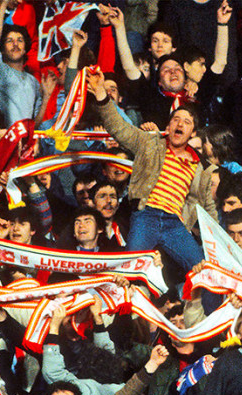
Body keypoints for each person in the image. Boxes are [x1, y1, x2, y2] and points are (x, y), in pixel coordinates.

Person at [87, 68, 215, 270]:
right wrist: (102, 95)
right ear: (168, 125)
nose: (179, 124)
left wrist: (216, 245)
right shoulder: (150, 143)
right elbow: (119, 127)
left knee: (206, 272)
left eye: (186, 122)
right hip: (146, 216)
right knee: (129, 270)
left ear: (193, 133)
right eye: (175, 120)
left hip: (176, 224)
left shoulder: (201, 167)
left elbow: (208, 209)